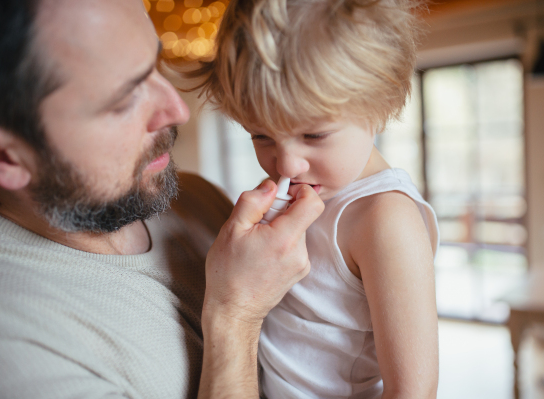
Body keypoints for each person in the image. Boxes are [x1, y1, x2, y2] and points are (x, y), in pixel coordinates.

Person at [0, 0, 324, 398]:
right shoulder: (7, 346)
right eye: (123, 100)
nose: (177, 109)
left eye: (155, 66)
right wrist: (237, 315)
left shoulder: (196, 198)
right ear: (5, 156)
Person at [185, 0, 440, 397]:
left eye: (314, 135)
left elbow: (413, 392)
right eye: (260, 136)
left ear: (379, 105)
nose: (286, 163)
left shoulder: (385, 218)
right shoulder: (301, 186)